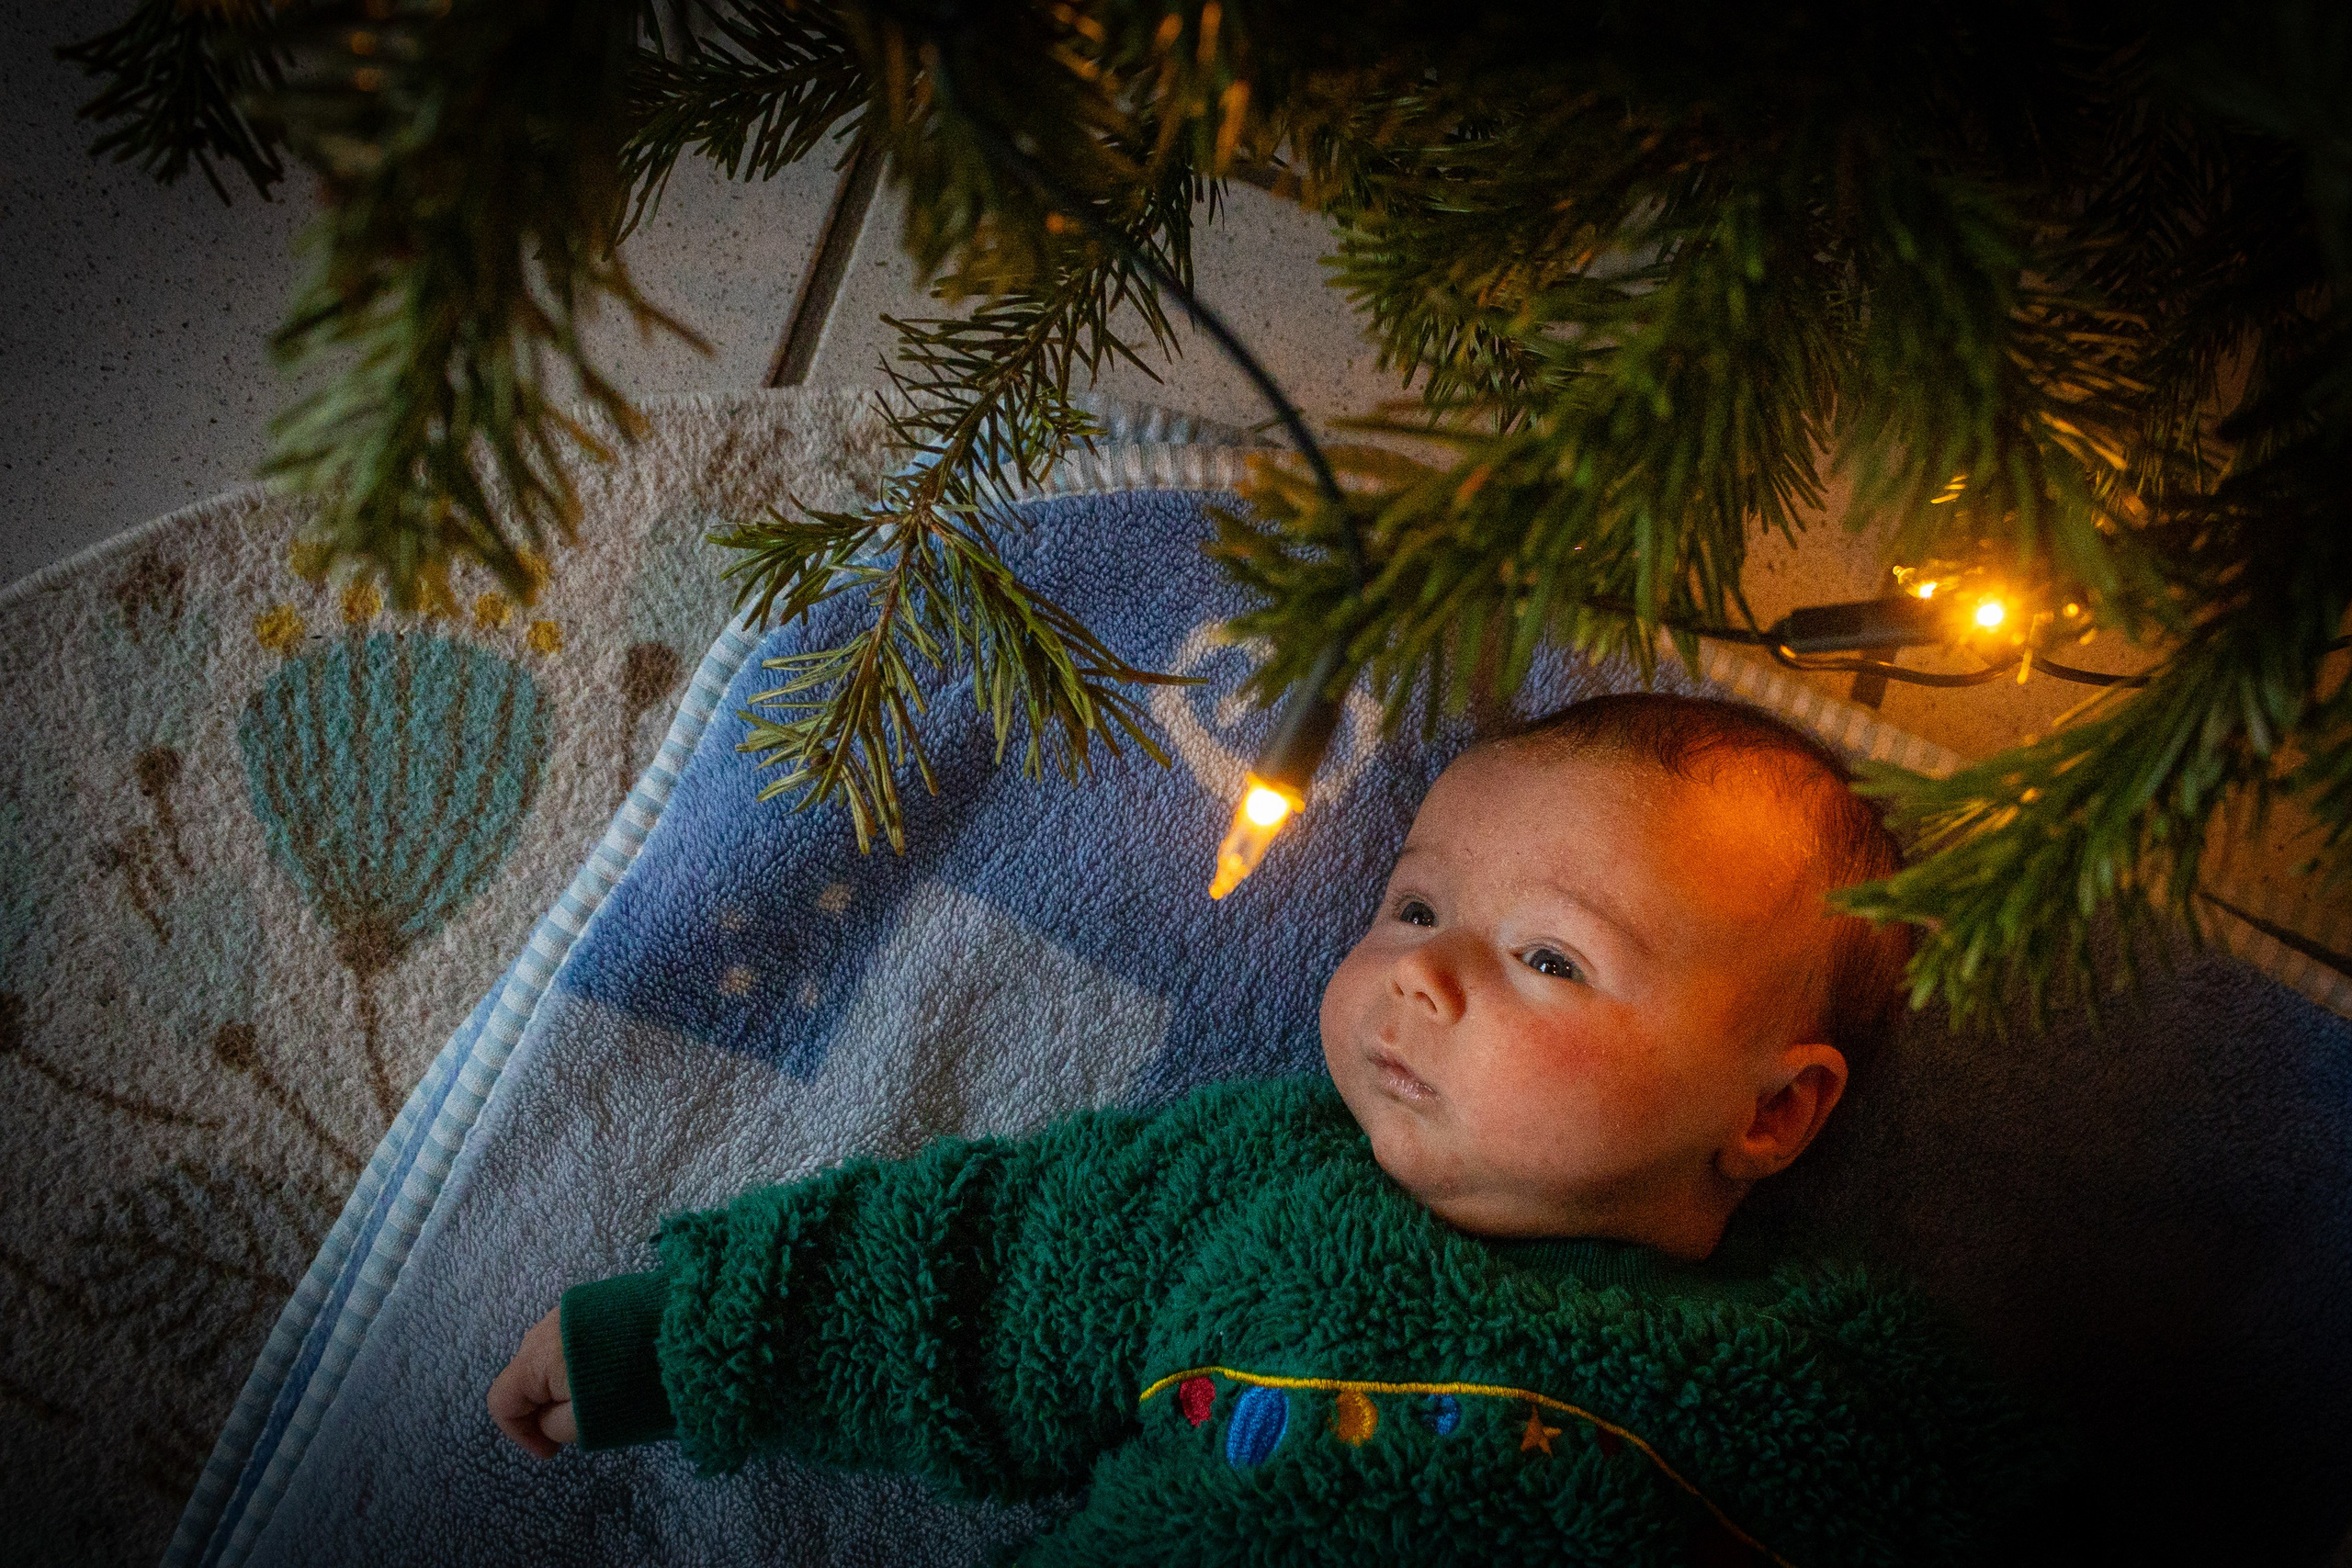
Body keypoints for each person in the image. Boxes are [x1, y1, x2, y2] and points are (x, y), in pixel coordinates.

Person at [489, 692, 2057, 1564]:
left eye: (1549, 957)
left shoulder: (1833, 1388)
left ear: (1772, 1111)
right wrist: (672, 1336)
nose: (1422, 969)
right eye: (1417, 904)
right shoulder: (1250, 1187)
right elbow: (967, 1273)